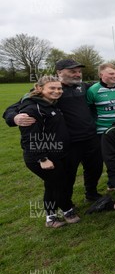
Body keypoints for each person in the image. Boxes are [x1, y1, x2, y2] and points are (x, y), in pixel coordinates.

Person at [4, 59, 104, 202]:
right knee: (68, 175)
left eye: (79, 71)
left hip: (90, 138)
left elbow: (101, 86)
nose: (77, 74)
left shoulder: (83, 86)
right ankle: (67, 204)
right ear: (59, 72)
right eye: (72, 71)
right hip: (70, 142)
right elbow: (15, 107)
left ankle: (92, 194)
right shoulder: (50, 89)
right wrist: (14, 117)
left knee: (95, 168)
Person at [18, 76, 78, 228]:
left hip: (58, 153)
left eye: (59, 88)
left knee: (55, 184)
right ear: (39, 89)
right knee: (56, 184)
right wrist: (42, 158)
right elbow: (30, 137)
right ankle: (60, 213)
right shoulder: (33, 108)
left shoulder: (51, 104)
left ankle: (58, 213)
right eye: (52, 88)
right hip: (43, 157)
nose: (57, 91)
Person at [86, 63, 115, 135]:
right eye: (111, 74)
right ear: (101, 75)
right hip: (103, 130)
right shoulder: (92, 90)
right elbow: (89, 110)